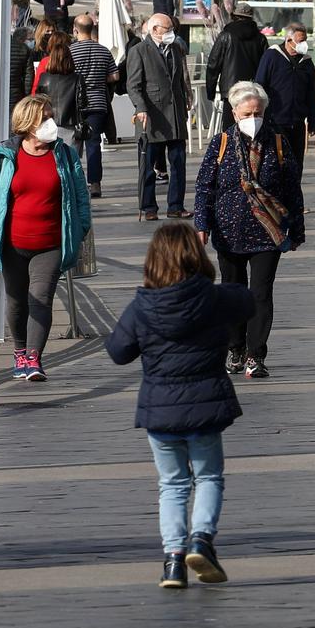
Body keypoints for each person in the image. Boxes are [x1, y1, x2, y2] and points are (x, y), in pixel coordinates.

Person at [105, 222, 254, 590]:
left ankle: (173, 560)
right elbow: (248, 302)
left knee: (172, 484)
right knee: (208, 477)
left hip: (160, 410)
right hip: (205, 407)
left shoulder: (142, 306)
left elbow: (118, 352)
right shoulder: (215, 298)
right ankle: (201, 539)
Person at [0, 94, 92, 383]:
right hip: (12, 244)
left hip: (51, 243)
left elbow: (80, 195)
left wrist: (81, 229)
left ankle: (33, 358)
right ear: (28, 124)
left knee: (41, 299)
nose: (51, 123)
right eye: (45, 118)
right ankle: (19, 351)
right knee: (16, 302)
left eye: (51, 116)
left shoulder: (64, 154)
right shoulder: (6, 154)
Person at [194, 80, 305, 380]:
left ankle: (256, 355)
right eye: (246, 114)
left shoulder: (278, 142)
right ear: (234, 113)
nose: (252, 119)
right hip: (229, 231)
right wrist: (201, 224)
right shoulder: (222, 144)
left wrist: (296, 230)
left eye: (257, 113)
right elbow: (205, 186)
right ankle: (236, 348)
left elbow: (293, 189)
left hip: (267, 231)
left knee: (260, 293)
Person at [128, 12, 192, 221]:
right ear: (155, 30)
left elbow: (182, 77)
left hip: (175, 115)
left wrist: (187, 97)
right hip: (152, 116)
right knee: (148, 166)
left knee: (178, 163)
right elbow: (134, 85)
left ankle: (176, 205)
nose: (171, 33)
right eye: (168, 29)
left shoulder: (175, 48)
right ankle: (148, 207)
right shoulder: (139, 51)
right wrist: (140, 108)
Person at [253, 23, 315, 167]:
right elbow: (259, 86)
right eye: (301, 41)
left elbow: (311, 92)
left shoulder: (307, 62)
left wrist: (314, 119)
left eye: (305, 40)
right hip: (275, 122)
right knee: (277, 164)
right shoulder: (272, 56)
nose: (304, 44)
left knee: (296, 165)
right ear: (289, 40)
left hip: (297, 122)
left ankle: (294, 189)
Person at [68, 15, 118, 196]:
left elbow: (67, 75)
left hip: (75, 103)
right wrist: (98, 78)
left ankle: (74, 180)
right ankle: (95, 183)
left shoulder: (70, 51)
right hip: (98, 102)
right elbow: (115, 76)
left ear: (75, 29)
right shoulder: (103, 51)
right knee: (93, 144)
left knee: (74, 143)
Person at [205, 3, 268, 132]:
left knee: (230, 131)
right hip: (253, 91)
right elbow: (266, 66)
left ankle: (231, 152)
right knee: (253, 131)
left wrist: (210, 92)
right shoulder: (260, 38)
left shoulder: (225, 36)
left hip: (231, 92)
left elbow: (213, 64)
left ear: (234, 16)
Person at [32, 36, 87, 156]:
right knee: (71, 161)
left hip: (47, 123)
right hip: (70, 124)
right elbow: (82, 102)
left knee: (50, 160)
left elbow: (37, 100)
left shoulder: (44, 78)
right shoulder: (77, 78)